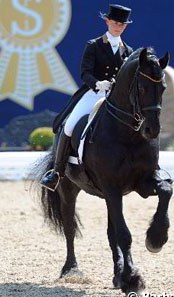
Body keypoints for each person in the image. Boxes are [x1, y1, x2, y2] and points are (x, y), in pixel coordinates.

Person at [41, 4, 134, 191]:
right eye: (116, 23)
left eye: (123, 25)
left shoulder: (128, 51)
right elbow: (85, 73)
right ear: (107, 21)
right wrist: (98, 83)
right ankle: (57, 172)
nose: (119, 27)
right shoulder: (94, 45)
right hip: (94, 93)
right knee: (69, 125)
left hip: (116, 99)